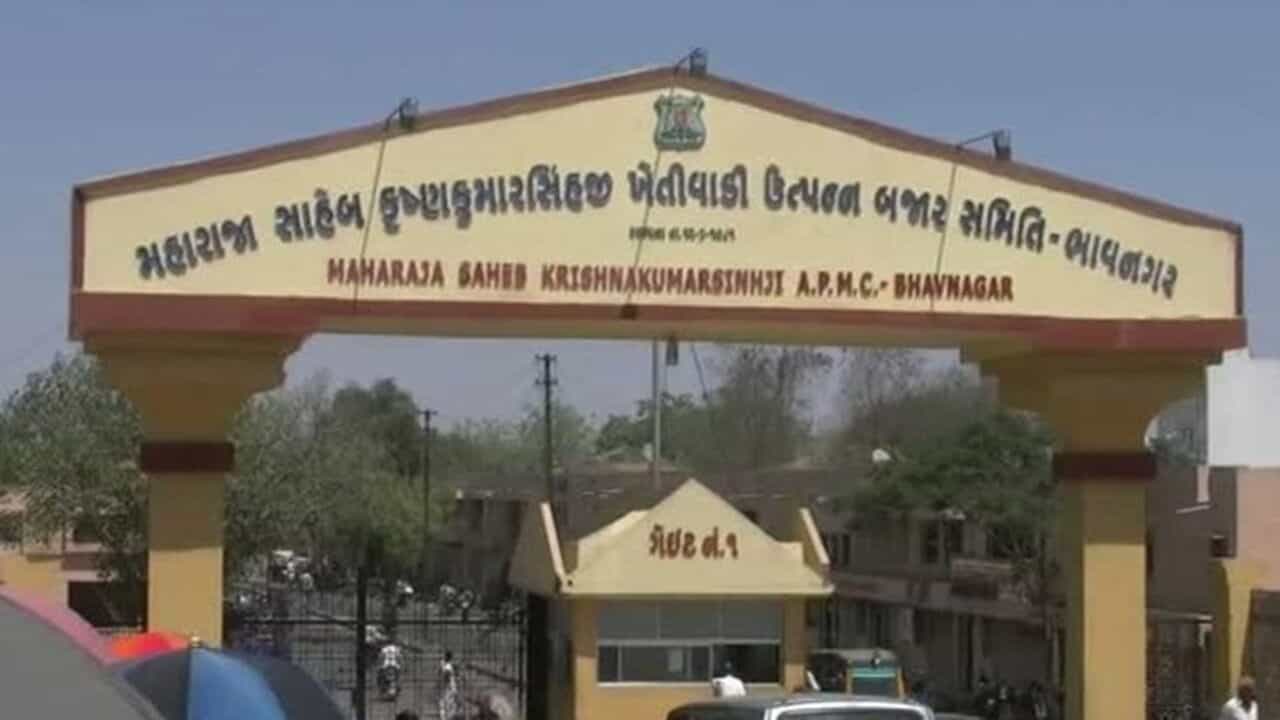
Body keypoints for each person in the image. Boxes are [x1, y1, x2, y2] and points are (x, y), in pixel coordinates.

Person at [439, 650, 461, 720]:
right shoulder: (449, 666)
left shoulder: (448, 666)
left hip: (449, 689)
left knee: (447, 705)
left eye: (444, 657)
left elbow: (446, 676)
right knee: (447, 705)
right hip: (450, 688)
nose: (442, 658)